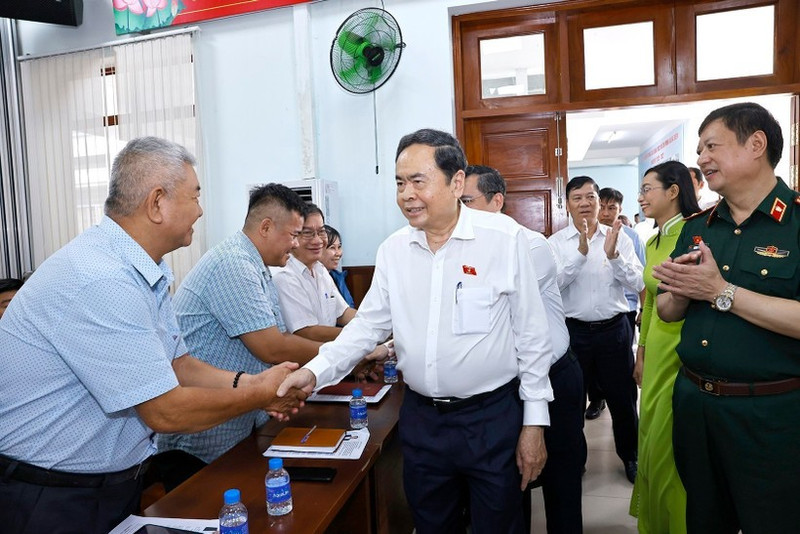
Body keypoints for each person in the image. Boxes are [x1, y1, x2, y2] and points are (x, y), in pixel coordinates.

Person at [0, 137, 305, 534]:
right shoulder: (101, 278)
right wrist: (260, 393)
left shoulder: (143, 271)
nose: (200, 210)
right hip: (48, 495)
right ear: (157, 202)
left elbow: (179, 364)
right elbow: (165, 411)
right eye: (195, 197)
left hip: (108, 484)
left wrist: (252, 382)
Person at [277, 128, 554, 534]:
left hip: (490, 420)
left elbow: (532, 337)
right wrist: (314, 371)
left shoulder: (503, 239)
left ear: (456, 181)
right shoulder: (394, 250)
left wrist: (534, 424)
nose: (406, 194)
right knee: (430, 523)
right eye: (399, 183)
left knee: (498, 524)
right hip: (423, 421)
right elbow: (367, 326)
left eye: (417, 181)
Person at [654, 102, 800, 533]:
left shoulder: (795, 223)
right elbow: (665, 309)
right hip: (696, 406)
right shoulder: (699, 226)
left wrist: (721, 292)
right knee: (704, 518)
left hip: (771, 416)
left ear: (757, 144)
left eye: (712, 145)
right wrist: (683, 292)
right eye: (699, 149)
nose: (701, 158)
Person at [156, 184, 330, 490]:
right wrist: (341, 352)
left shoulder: (256, 265)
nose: (295, 244)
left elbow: (279, 337)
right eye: (292, 235)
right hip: (203, 442)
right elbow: (271, 347)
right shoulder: (233, 264)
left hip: (238, 424)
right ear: (265, 227)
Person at [463, 164, 585, 534]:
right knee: (511, 482)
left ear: (497, 201)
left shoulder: (529, 245)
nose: (459, 211)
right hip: (506, 385)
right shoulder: (464, 249)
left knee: (561, 481)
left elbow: (488, 313)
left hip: (554, 378)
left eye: (468, 201)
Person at [548, 176, 643, 484]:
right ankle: (576, 461)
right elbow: (552, 286)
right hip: (573, 334)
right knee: (571, 403)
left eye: (591, 197)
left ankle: (631, 456)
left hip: (614, 331)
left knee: (623, 400)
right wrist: (580, 253)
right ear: (568, 204)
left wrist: (614, 256)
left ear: (599, 202)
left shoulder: (619, 237)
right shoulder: (554, 244)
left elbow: (638, 283)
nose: (586, 203)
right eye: (578, 198)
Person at [629, 160, 700, 534]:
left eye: (647, 189)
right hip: (656, 351)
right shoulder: (655, 238)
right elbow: (651, 303)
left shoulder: (693, 233)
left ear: (673, 191)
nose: (640, 197)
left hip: (680, 352)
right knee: (652, 441)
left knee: (670, 448)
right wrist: (641, 352)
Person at [589, 187, 646, 421]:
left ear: (620, 210)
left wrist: (643, 310)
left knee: (619, 375)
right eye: (602, 206)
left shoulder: (630, 238)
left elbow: (642, 280)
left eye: (612, 208)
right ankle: (596, 398)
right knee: (591, 369)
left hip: (624, 311)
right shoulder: (587, 235)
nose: (605, 212)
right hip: (591, 314)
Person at [273, 205, 356, 340]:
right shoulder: (284, 276)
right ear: (293, 236)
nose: (318, 240)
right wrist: (359, 335)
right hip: (305, 358)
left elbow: (343, 313)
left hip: (328, 352)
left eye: (321, 232)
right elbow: (306, 332)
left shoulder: (320, 269)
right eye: (307, 233)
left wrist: (374, 324)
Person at [322, 224, 356, 308]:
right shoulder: (314, 279)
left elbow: (349, 307)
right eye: (332, 248)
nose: (338, 253)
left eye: (339, 247)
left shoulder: (338, 277)